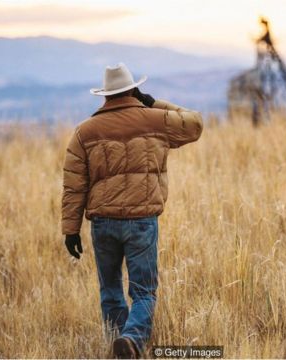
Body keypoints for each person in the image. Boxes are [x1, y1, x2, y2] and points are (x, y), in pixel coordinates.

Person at [61, 63, 203, 358]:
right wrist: (153, 102)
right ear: (133, 89)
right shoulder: (154, 120)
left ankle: (119, 342)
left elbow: (74, 185)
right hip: (141, 221)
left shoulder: (84, 132)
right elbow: (195, 124)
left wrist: (70, 230)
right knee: (143, 291)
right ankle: (133, 341)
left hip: (103, 223)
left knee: (110, 289)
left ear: (105, 95)